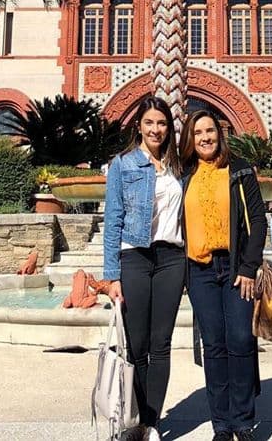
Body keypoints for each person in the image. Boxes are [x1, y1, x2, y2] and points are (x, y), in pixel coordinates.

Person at [180, 109, 268, 441]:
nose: (205, 137)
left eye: (210, 131)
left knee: (242, 341)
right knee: (214, 346)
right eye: (198, 132)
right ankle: (221, 424)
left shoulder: (240, 168)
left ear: (220, 133)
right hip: (199, 271)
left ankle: (243, 421)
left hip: (235, 270)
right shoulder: (184, 174)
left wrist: (248, 267)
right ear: (191, 138)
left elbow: (257, 221)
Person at [103, 97, 185, 441]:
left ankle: (152, 422)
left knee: (161, 343)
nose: (156, 129)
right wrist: (111, 275)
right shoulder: (123, 164)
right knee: (137, 345)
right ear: (139, 125)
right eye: (150, 123)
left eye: (162, 123)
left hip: (171, 259)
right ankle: (134, 420)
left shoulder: (179, 167)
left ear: (170, 128)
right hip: (135, 257)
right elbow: (113, 220)